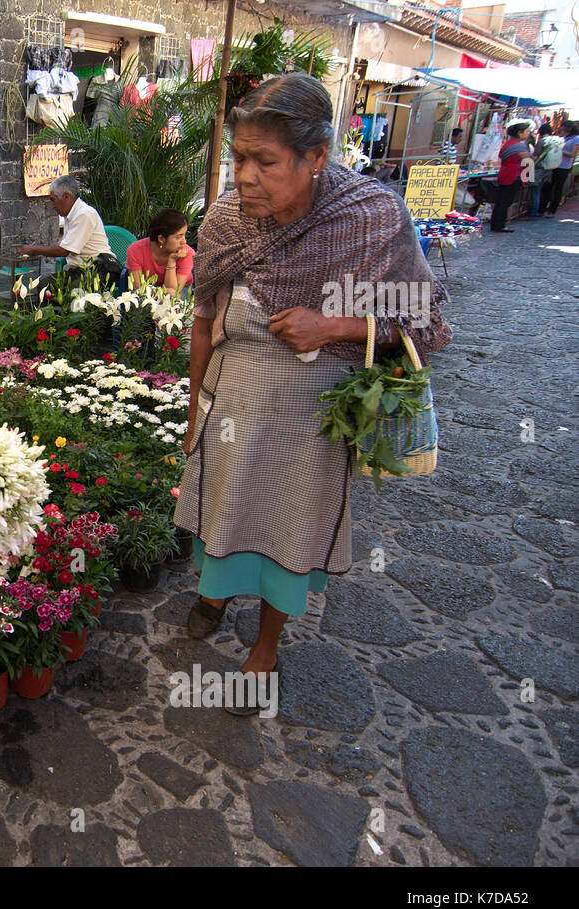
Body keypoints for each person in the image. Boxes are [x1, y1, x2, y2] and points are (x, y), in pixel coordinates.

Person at [173, 73, 452, 715]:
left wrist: (334, 325)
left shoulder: (371, 218)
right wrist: (193, 410)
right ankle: (213, 595)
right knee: (223, 508)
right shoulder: (226, 219)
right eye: (238, 157)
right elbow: (204, 317)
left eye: (265, 162)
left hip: (312, 425)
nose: (245, 176)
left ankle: (266, 646)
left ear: (316, 157)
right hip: (232, 407)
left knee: (288, 528)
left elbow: (429, 320)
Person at [16, 175, 120, 288]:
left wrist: (34, 249)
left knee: (72, 292)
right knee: (44, 286)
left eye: (53, 200)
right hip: (78, 271)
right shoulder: (70, 215)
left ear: (66, 196)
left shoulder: (84, 214)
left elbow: (64, 251)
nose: (53, 205)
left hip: (96, 270)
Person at [125, 209, 194, 294]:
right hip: (147, 291)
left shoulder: (187, 253)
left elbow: (173, 293)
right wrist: (159, 292)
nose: (184, 241)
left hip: (181, 290)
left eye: (184, 235)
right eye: (178, 237)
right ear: (161, 238)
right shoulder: (135, 250)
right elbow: (137, 287)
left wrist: (171, 261)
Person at [490, 121, 533, 233]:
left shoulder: (508, 143)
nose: (528, 133)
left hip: (505, 173)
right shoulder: (519, 146)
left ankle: (496, 224)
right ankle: (500, 225)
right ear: (520, 133)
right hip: (512, 175)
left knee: (501, 201)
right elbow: (527, 162)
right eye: (527, 131)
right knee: (505, 201)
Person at [543, 120, 578, 216]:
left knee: (558, 188)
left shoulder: (576, 139)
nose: (561, 128)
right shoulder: (565, 137)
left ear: (569, 128)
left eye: (563, 126)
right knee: (549, 186)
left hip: (564, 166)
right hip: (554, 165)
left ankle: (552, 210)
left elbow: (572, 154)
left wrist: (559, 150)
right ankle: (544, 207)